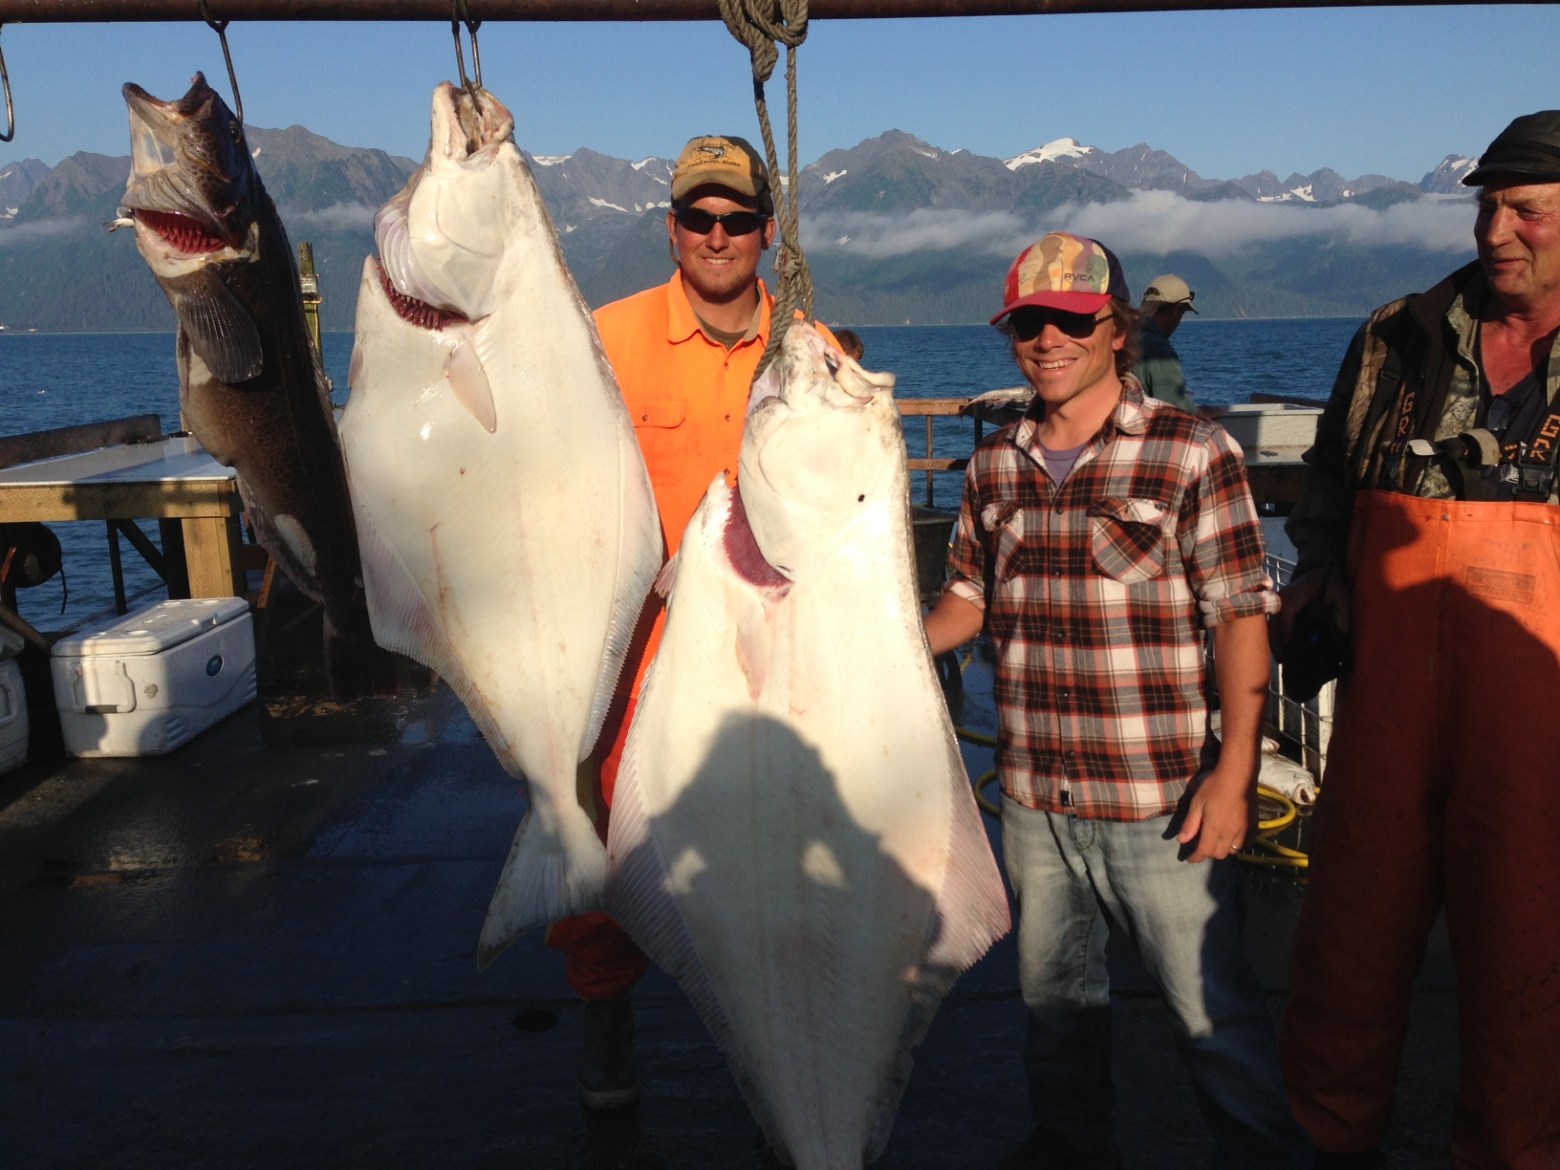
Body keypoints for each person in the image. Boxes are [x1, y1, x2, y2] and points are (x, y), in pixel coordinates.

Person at [923, 232, 1309, 1170]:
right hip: (1035, 803)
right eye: (1028, 323)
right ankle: (1068, 1149)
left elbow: (1242, 620)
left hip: (1161, 803)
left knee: (1213, 1019)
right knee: (1055, 1015)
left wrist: (1235, 770)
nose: (1047, 340)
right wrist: (863, 649)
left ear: (1116, 330)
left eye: (1071, 320)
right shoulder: (994, 468)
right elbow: (967, 602)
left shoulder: (1191, 453)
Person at [1275, 110, 1560, 1169]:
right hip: (1388, 707)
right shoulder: (1396, 336)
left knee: (1529, 965)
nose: (1497, 230)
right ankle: (1328, 1144)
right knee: (1347, 948)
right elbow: (1328, 483)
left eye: (1526, 210)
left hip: (1537, 735)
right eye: (1486, 205)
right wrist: (1316, 576)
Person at [546, 133, 834, 1111]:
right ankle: (605, 1015)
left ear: (765, 232)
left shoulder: (811, 350)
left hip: (765, 670)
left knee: (771, 861)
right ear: (671, 229)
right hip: (627, 663)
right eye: (700, 218)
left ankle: (773, 1042)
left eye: (739, 220)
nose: (719, 236)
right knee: (603, 853)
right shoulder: (601, 341)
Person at [1133, 273, 1207, 415]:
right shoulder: (1158, 350)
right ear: (1177, 309)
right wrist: (1200, 413)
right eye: (1182, 313)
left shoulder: (1124, 337)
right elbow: (1174, 408)